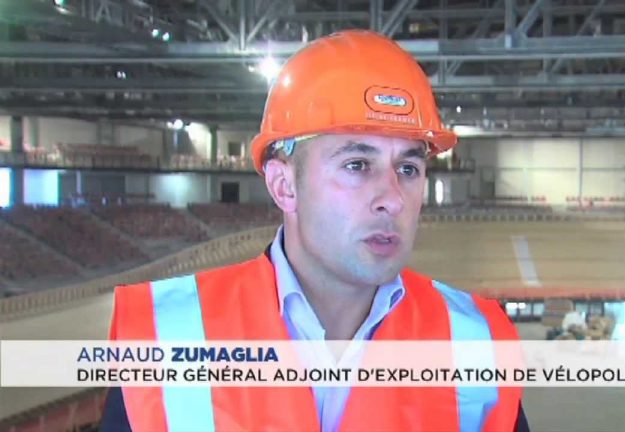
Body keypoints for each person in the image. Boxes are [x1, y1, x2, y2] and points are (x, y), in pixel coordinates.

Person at [101, 30, 529, 431]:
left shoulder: (474, 341)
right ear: (284, 186)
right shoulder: (169, 336)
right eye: (357, 165)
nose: (394, 198)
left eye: (409, 168)